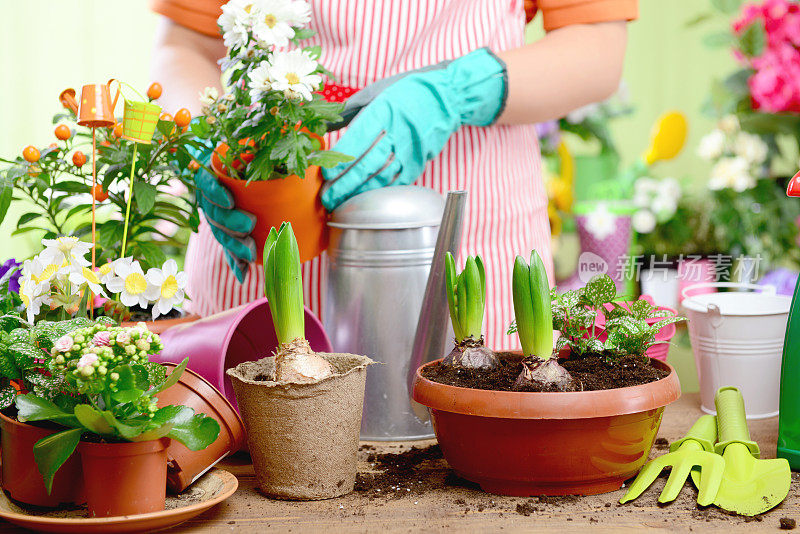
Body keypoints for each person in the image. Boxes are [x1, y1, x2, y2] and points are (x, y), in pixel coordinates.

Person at [150, 0, 634, 350]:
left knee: (464, 446)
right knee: (259, 447)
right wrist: (201, 140)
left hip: (465, 220)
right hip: (258, 219)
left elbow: (597, 46)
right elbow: (185, 45)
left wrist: (457, 91)